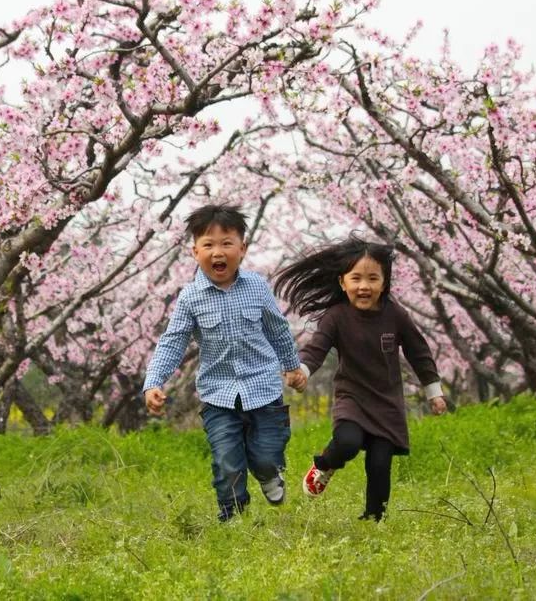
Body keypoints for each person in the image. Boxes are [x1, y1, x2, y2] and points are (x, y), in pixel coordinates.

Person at [143, 204, 306, 522]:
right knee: (226, 459)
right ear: (195, 252)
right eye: (208, 245)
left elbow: (278, 330)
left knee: (266, 454)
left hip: (264, 389)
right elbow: (173, 341)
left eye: (226, 243)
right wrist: (154, 382)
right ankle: (233, 515)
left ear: (241, 249)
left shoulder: (258, 287)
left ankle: (270, 474)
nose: (218, 252)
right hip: (218, 394)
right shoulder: (190, 297)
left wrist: (292, 366)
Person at [273, 237, 447, 522]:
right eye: (356, 278)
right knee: (347, 443)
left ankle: (373, 518)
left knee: (380, 464)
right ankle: (324, 465)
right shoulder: (337, 316)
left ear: (384, 283)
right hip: (352, 397)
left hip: (387, 403)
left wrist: (434, 392)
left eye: (372, 278)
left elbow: (419, 351)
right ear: (343, 283)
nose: (364, 286)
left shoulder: (396, 315)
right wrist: (302, 371)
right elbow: (317, 347)